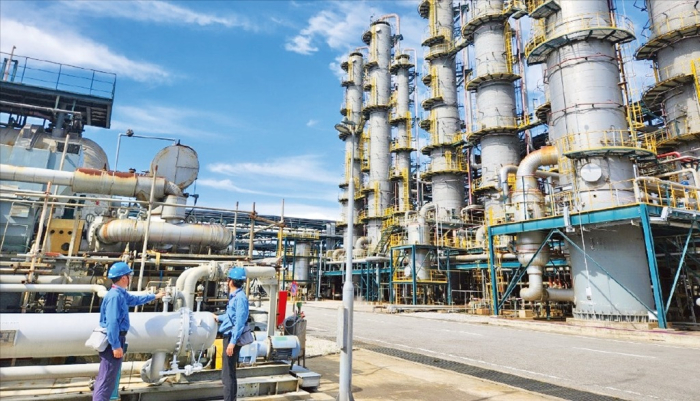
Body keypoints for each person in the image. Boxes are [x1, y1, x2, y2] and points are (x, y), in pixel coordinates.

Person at [93, 262, 164, 401]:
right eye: (129, 276)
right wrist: (115, 346)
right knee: (106, 379)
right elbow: (112, 322)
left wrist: (154, 296)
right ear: (124, 278)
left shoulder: (119, 294)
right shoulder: (115, 296)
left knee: (109, 377)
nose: (130, 278)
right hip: (113, 340)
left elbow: (134, 299)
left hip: (117, 339)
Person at [213, 267, 250, 401]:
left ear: (230, 281)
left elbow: (239, 322)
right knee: (228, 373)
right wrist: (218, 318)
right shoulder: (235, 297)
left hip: (231, 338)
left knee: (228, 374)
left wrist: (232, 343)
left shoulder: (240, 298)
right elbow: (231, 317)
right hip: (229, 337)